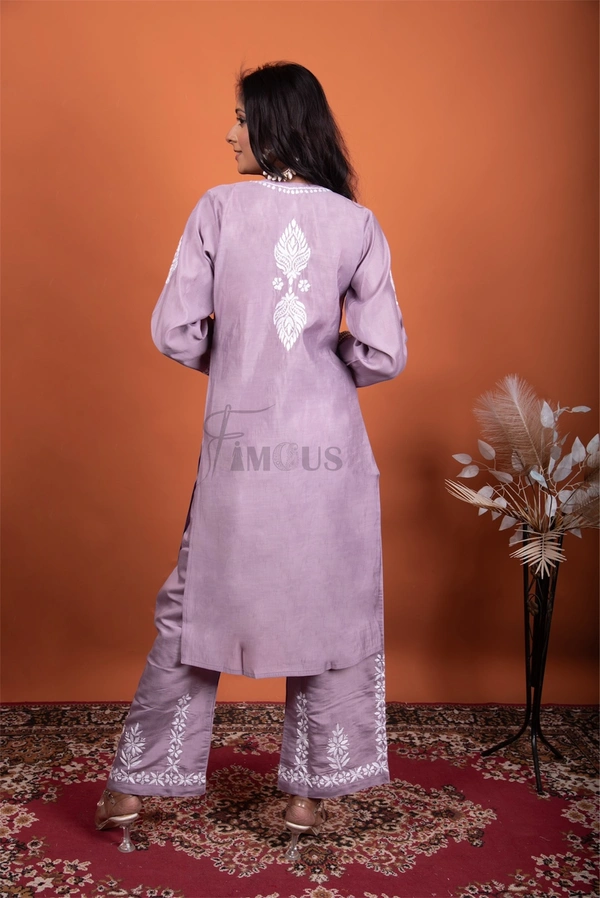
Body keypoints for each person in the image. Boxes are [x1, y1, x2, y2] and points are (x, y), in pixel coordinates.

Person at [94, 60, 408, 860]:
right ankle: (306, 795)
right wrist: (323, 364)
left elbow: (175, 331)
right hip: (328, 454)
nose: (229, 132)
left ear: (272, 124)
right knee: (328, 611)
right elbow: (384, 353)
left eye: (239, 117)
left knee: (194, 610)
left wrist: (239, 361)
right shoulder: (356, 222)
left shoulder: (218, 209)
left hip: (241, 448)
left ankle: (133, 787)